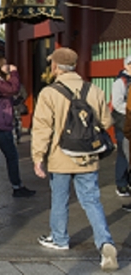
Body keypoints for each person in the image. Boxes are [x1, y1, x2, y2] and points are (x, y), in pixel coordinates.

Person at [31, 47, 118, 272]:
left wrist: (37, 157)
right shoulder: (94, 90)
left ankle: (60, 239)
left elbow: (42, 129)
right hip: (87, 156)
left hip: (60, 156)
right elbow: (107, 122)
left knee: (59, 198)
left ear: (56, 67)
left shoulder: (49, 93)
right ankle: (106, 242)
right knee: (91, 200)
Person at [0, 55, 36, 198]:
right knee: (11, 156)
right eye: (5, 64)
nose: (8, 66)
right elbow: (12, 89)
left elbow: (8, 98)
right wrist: (14, 72)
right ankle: (17, 187)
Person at [109, 56, 131, 196]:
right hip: (123, 122)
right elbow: (117, 104)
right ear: (127, 65)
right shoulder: (120, 82)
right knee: (123, 153)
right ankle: (121, 184)